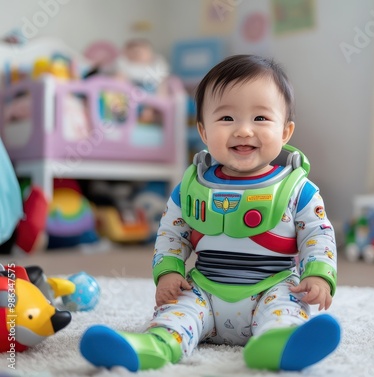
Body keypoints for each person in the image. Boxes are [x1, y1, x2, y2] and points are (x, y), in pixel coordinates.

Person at [80, 54, 341, 372]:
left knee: (287, 307)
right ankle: (153, 345)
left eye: (260, 118)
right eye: (227, 118)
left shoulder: (299, 189)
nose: (244, 130)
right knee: (177, 312)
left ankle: (278, 344)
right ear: (203, 131)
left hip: (272, 286)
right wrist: (169, 272)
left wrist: (318, 274)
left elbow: (319, 233)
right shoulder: (191, 187)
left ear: (285, 132)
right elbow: (171, 233)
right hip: (205, 287)